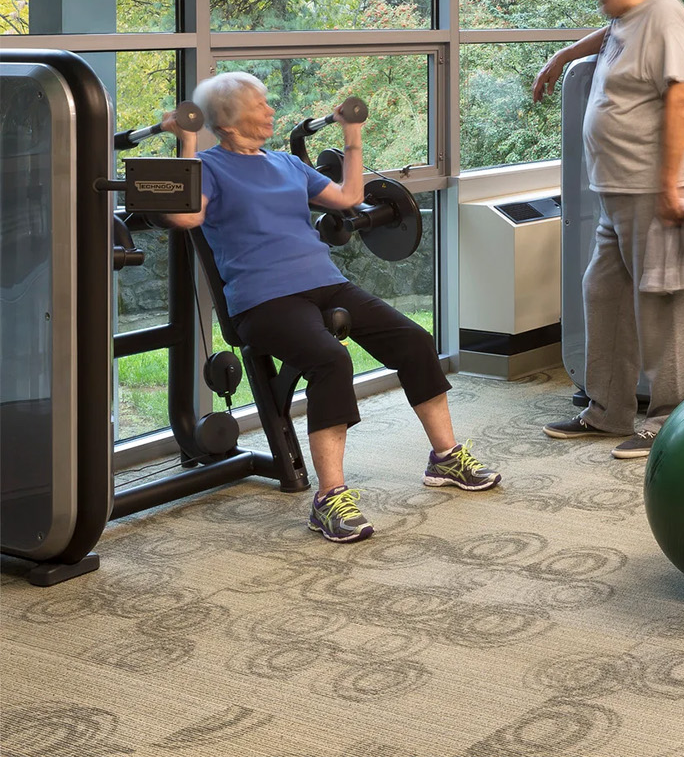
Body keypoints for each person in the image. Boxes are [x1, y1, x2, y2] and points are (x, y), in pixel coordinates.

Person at [159, 74, 498, 544]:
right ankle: (329, 497)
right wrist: (187, 141)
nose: (271, 111)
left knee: (415, 342)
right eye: (260, 104)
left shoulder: (285, 163)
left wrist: (352, 138)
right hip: (264, 299)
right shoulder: (211, 166)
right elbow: (184, 215)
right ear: (230, 119)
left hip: (325, 282)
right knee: (330, 360)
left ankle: (445, 456)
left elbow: (348, 197)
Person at [532, 0, 684, 461]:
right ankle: (609, 411)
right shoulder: (628, 15)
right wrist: (565, 54)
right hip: (618, 189)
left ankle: (671, 421)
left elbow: (681, 97)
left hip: (657, 187)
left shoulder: (666, 15)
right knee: (604, 292)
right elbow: (610, 31)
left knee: (664, 305)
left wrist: (669, 185)